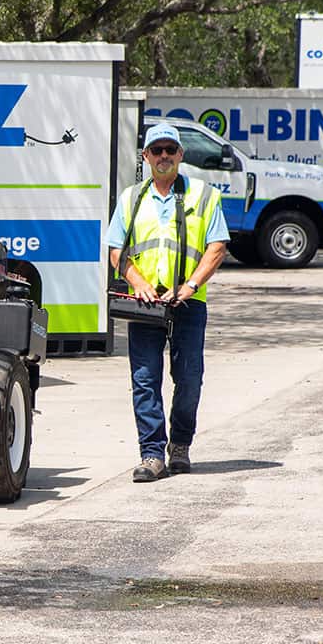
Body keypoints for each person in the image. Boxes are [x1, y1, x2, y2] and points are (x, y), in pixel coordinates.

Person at [106, 122, 230, 482]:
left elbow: (217, 246)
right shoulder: (131, 198)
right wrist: (139, 283)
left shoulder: (204, 195)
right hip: (145, 304)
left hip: (188, 303)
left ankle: (180, 446)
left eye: (169, 150)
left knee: (189, 379)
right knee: (145, 379)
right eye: (156, 150)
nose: (163, 157)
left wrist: (190, 285)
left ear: (180, 155)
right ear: (145, 156)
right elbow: (117, 250)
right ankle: (151, 454)